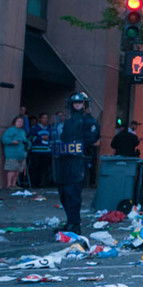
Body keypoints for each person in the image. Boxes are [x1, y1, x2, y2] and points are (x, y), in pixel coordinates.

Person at [51, 92, 99, 234]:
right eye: (75, 103)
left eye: (80, 102)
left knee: (73, 193)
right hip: (63, 160)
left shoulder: (89, 120)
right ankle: (70, 221)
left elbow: (92, 139)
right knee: (63, 193)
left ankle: (75, 224)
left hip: (77, 161)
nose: (77, 105)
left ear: (84, 104)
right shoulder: (67, 121)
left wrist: (79, 144)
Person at [3, 116, 29, 189]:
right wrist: (12, 141)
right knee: (12, 170)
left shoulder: (22, 131)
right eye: (18, 121)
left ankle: (14, 184)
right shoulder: (10, 130)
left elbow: (25, 140)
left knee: (18, 171)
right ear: (14, 122)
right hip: (12, 154)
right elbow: (4, 139)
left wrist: (28, 143)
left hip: (21, 154)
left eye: (21, 122)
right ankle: (9, 185)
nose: (20, 123)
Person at [27, 113, 51, 188]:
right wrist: (41, 138)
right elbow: (30, 138)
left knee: (45, 169)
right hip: (36, 152)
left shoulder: (49, 128)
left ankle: (43, 184)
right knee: (35, 168)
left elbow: (52, 138)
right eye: (43, 118)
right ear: (40, 119)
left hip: (46, 152)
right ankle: (35, 184)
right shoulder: (35, 128)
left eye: (46, 118)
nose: (45, 119)